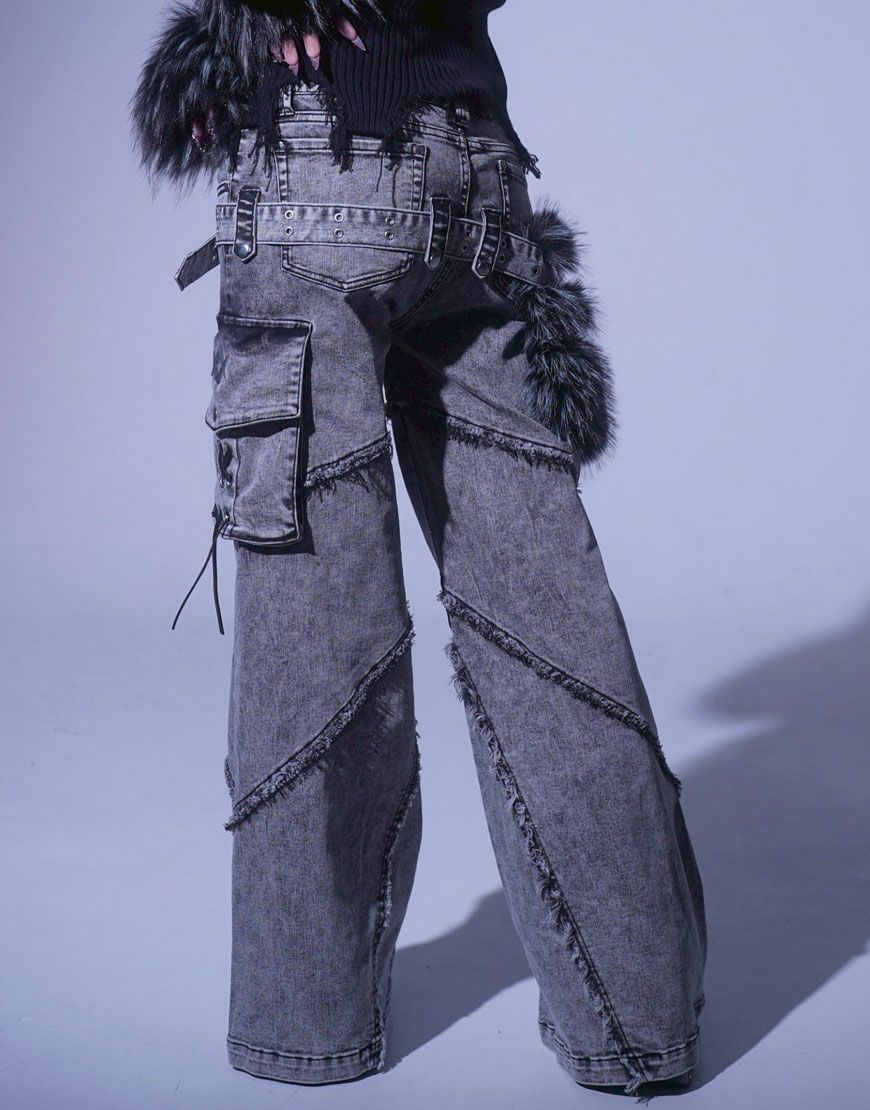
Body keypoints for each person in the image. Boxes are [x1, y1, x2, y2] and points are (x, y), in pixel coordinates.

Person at [131, 0, 707, 1095]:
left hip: (316, 166)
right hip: (479, 176)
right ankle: (638, 1022)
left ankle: (307, 1028)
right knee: (553, 633)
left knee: (316, 638)